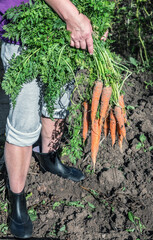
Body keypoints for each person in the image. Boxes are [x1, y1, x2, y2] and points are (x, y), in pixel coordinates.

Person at [0, 0, 94, 238]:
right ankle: (17, 198)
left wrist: (93, 17)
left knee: (56, 104)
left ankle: (49, 158)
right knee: (24, 119)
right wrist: (73, 15)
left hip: (63, 30)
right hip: (23, 31)